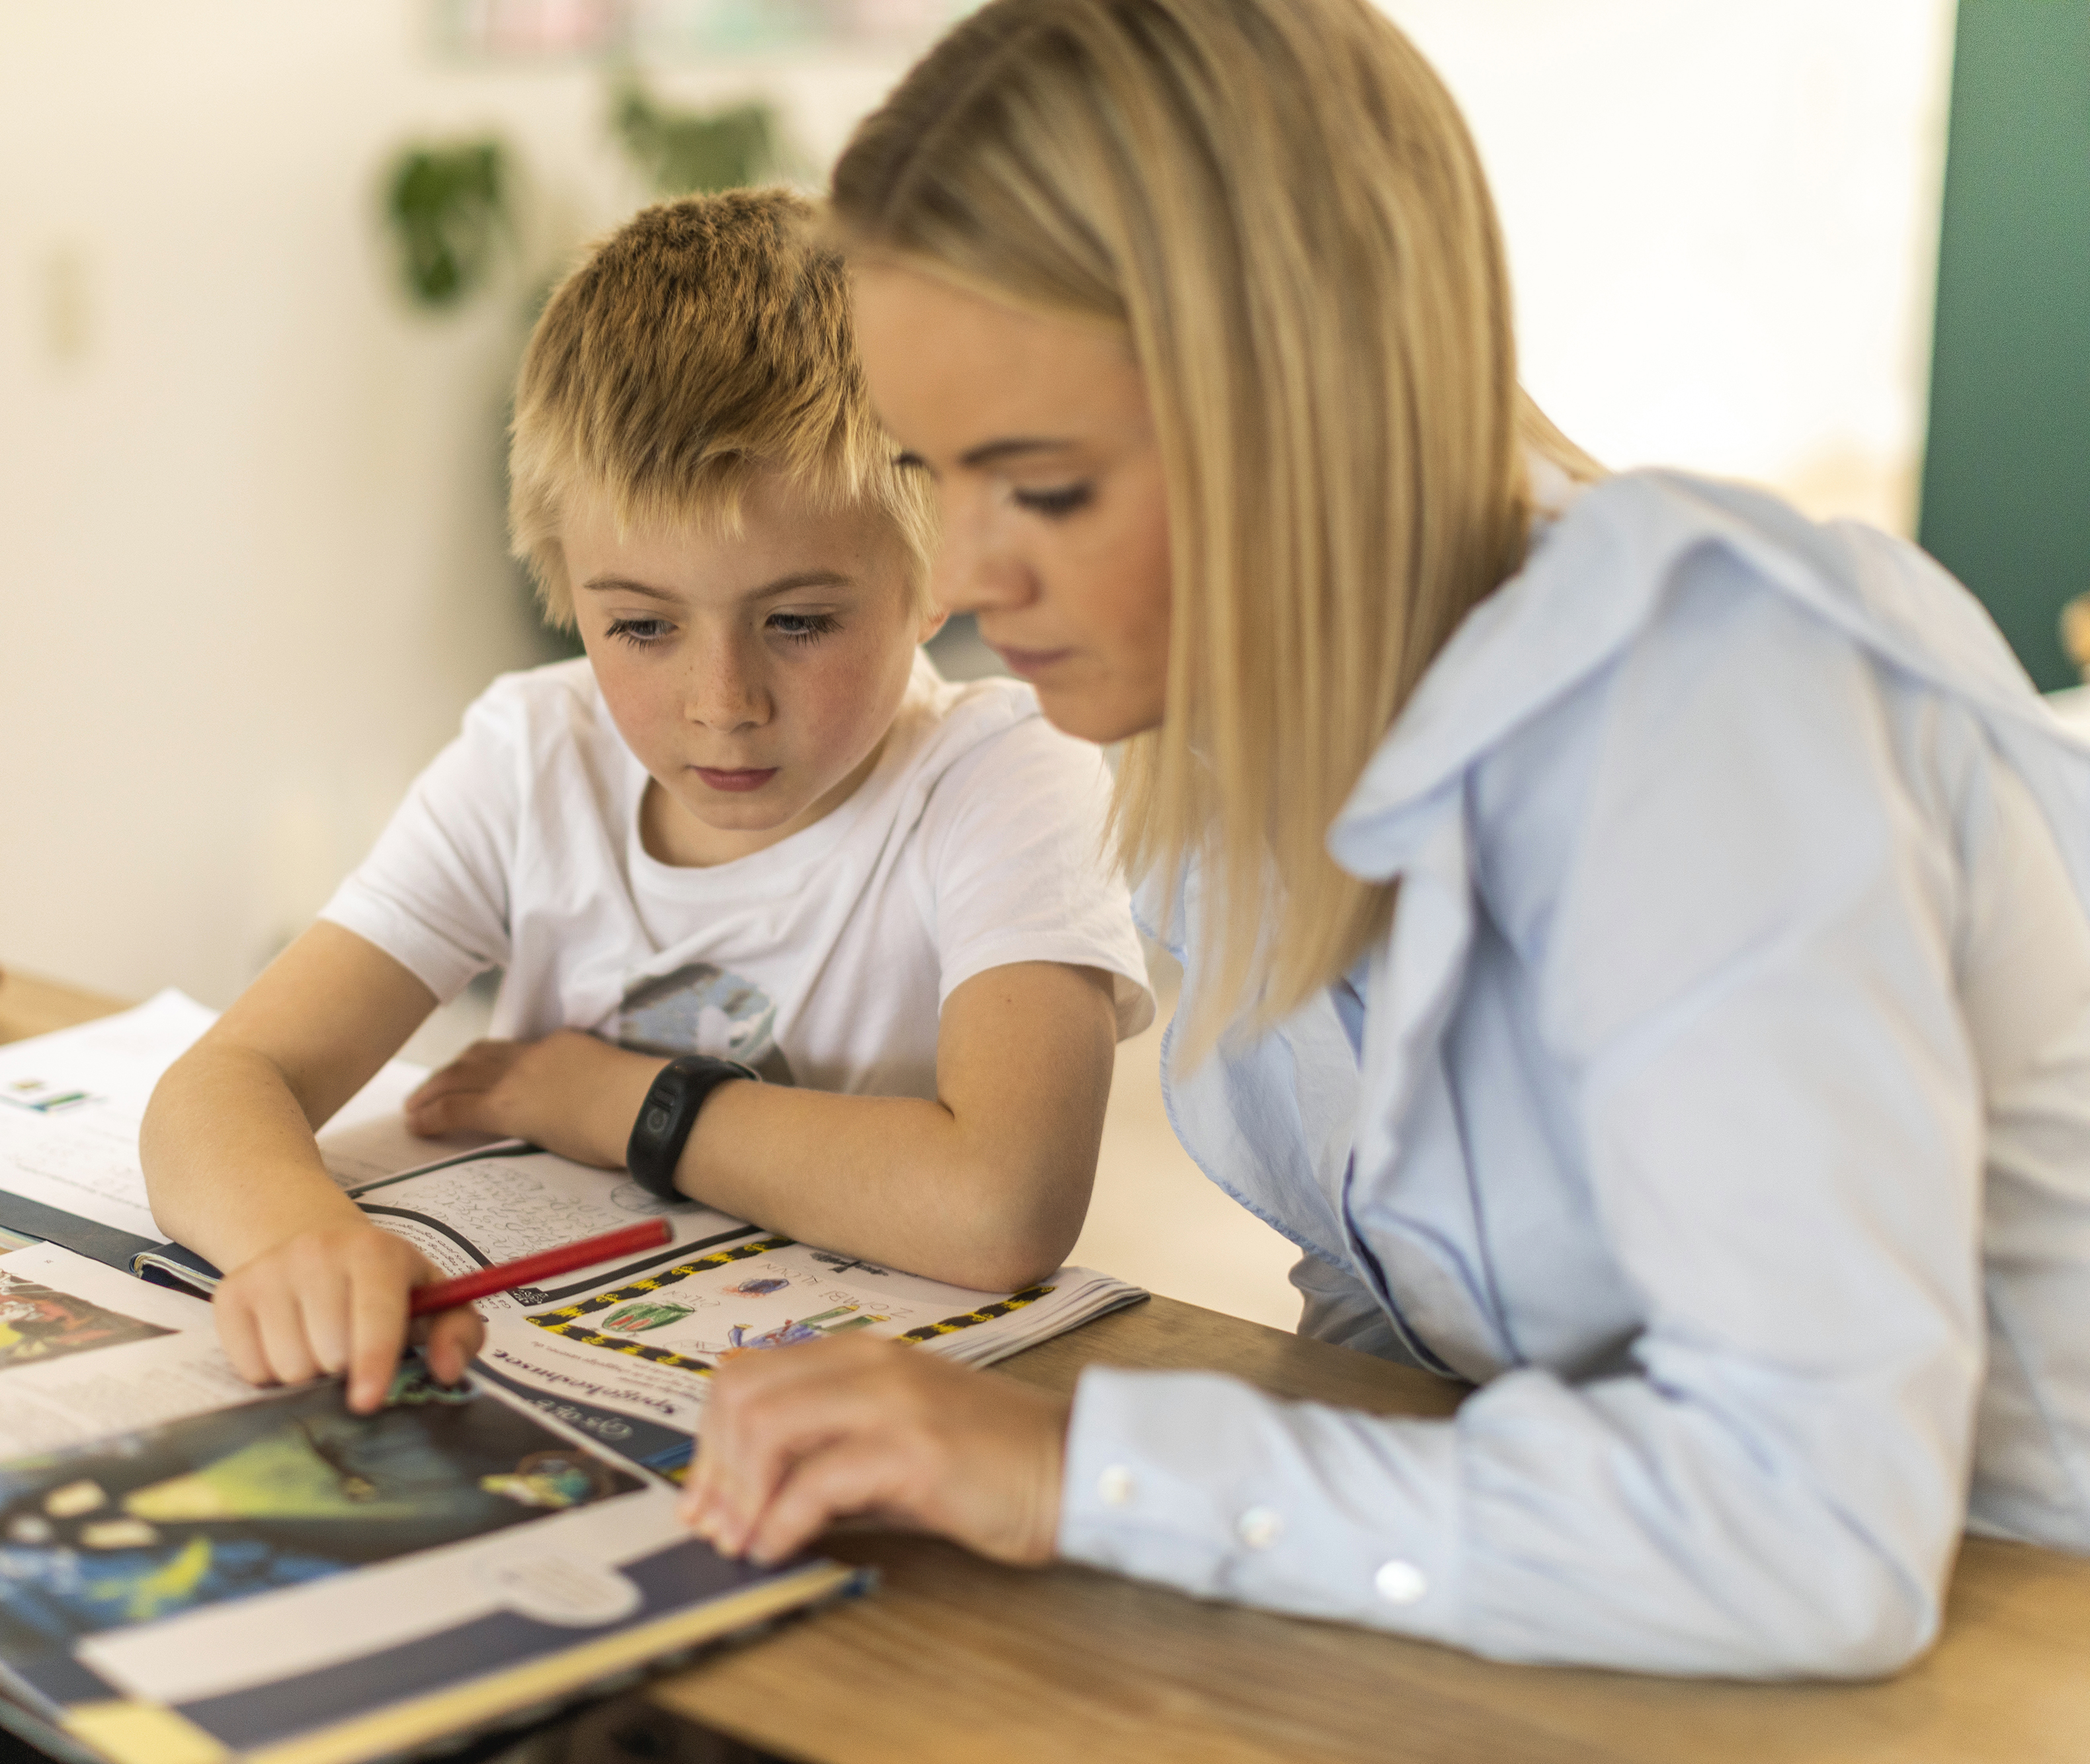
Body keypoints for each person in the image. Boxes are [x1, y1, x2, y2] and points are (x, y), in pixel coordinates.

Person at [680, 0, 2090, 1678]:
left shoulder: (1706, 702)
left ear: (1303, 403)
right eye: (936, 476)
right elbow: (1397, 1327)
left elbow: (1814, 1533)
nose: (969, 582)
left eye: (1041, 487)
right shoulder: (1210, 755)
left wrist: (1086, 1470)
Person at [142, 189, 1153, 1414]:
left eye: (798, 622)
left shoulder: (1009, 771)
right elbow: (220, 1086)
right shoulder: (531, 753)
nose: (721, 702)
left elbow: (1000, 1203)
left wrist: (608, 1098)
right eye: (642, 625)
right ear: (565, 585)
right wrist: (303, 1244)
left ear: (939, 576)